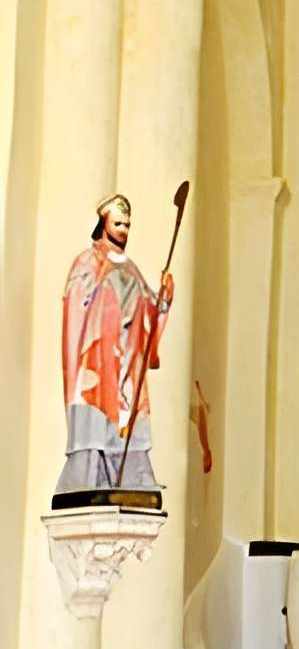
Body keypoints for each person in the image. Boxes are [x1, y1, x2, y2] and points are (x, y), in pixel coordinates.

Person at [56, 193, 173, 495]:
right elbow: (77, 305)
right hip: (97, 355)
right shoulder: (87, 260)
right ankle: (89, 478)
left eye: (127, 225)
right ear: (104, 223)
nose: (123, 230)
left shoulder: (129, 266)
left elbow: (150, 306)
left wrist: (164, 298)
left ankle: (132, 478)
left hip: (126, 358)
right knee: (96, 417)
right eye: (118, 223)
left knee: (127, 415)